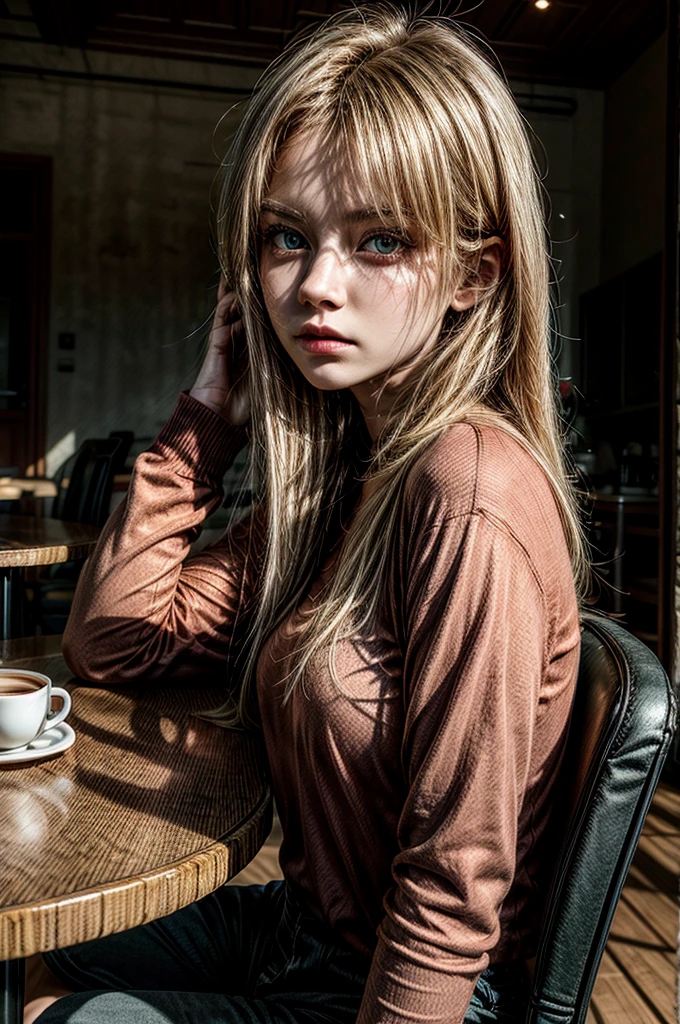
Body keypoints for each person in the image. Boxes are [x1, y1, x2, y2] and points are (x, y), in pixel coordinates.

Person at [27, 5, 587, 1022]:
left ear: (474, 271)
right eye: (288, 235)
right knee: (46, 940)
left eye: (378, 239)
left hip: (407, 988)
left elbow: (453, 889)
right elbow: (113, 642)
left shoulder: (464, 491)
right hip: (305, 928)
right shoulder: (355, 478)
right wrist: (207, 418)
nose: (315, 286)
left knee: (65, 1018)